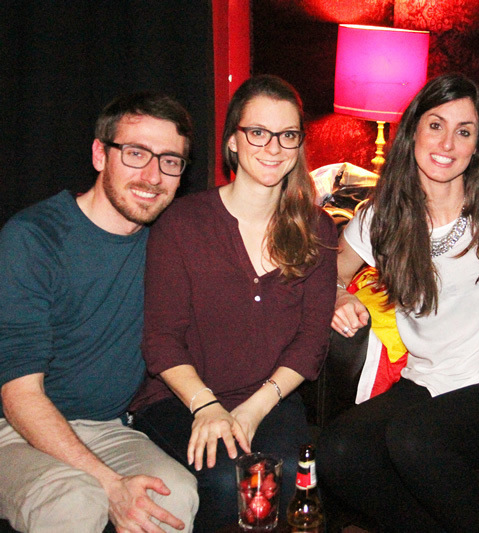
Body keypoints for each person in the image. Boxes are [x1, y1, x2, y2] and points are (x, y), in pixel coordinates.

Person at [316, 73, 479, 532]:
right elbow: (330, 274)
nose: (448, 143)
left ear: (477, 145)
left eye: (464, 131)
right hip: (431, 379)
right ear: (413, 131)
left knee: (414, 439)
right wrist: (339, 297)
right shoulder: (381, 219)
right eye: (436, 125)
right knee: (337, 451)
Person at [129, 75, 337, 532]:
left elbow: (310, 343)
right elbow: (161, 338)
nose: (273, 147)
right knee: (231, 484)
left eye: (287, 135)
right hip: (180, 398)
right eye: (258, 132)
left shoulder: (317, 229)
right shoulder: (182, 223)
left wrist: (254, 408)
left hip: (270, 397)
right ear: (232, 141)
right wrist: (205, 406)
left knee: (285, 479)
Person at [0, 93, 198, 532]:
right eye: (136, 153)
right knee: (75, 501)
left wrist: (337, 292)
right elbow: (20, 395)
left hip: (107, 427)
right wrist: (110, 484)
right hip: (14, 429)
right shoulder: (34, 238)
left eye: (170, 161)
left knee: (175, 496)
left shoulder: (168, 242)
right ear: (99, 154)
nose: (152, 176)